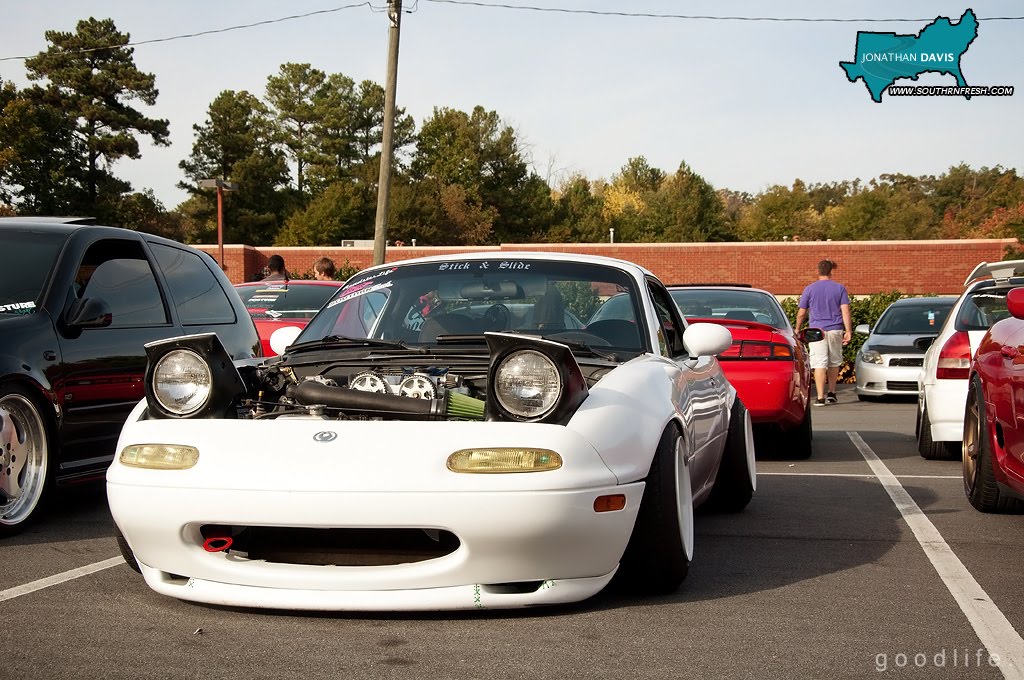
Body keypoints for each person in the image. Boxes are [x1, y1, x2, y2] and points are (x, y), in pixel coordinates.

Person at [795, 259, 852, 407]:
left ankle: (820, 397)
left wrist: (797, 328)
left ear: (818, 271)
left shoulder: (809, 289)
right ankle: (832, 392)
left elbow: (802, 312)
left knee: (819, 362)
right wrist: (848, 331)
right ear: (831, 271)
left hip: (816, 331)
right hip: (835, 328)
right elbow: (845, 310)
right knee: (834, 361)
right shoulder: (839, 288)